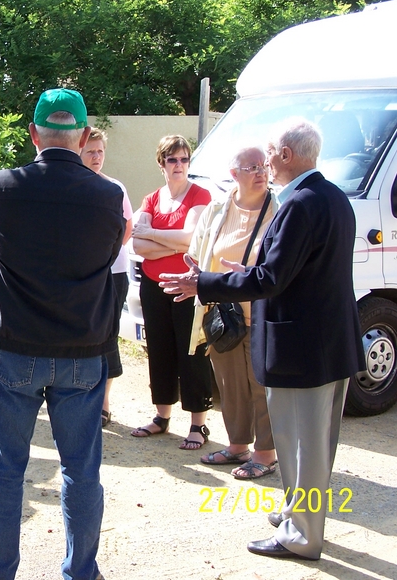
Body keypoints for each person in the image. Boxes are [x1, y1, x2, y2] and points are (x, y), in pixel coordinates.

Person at [160, 119, 364, 560]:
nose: (266, 163)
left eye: (269, 153)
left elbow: (271, 279)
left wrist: (204, 283)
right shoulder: (332, 197)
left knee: (301, 445)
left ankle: (301, 536)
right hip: (329, 344)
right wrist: (246, 274)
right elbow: (292, 272)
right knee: (316, 445)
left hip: (302, 349)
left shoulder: (299, 204)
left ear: (286, 155)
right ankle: (299, 514)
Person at [0, 88, 125, 580]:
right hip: (83, 350)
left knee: (5, 469)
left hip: (18, 349)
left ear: (33, 134)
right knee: (81, 471)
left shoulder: (6, 186)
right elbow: (110, 249)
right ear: (84, 137)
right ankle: (81, 571)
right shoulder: (108, 195)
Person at [187, 146, 278, 479]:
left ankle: (266, 454)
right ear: (233, 174)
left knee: (262, 387)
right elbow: (197, 253)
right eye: (252, 167)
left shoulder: (280, 210)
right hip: (223, 316)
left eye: (264, 165)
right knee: (230, 386)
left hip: (262, 314)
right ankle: (238, 445)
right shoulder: (216, 209)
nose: (261, 172)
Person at [130, 135, 212, 449]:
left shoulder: (200, 195)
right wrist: (173, 243)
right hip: (154, 286)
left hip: (188, 286)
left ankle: (197, 424)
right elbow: (139, 246)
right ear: (161, 163)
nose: (179, 165)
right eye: (172, 159)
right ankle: (162, 416)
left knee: (191, 352)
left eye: (184, 159)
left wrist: (154, 234)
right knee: (160, 349)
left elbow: (191, 239)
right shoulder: (151, 199)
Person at [80, 128, 132, 427]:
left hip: (113, 273)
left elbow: (127, 227)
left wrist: (104, 257)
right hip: (82, 275)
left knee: (107, 334)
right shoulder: (73, 187)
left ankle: (104, 403)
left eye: (100, 151)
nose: (96, 156)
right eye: (91, 151)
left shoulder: (115, 187)